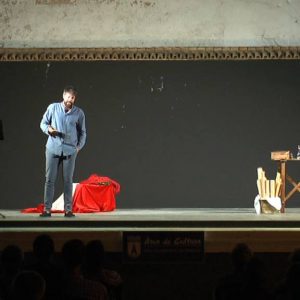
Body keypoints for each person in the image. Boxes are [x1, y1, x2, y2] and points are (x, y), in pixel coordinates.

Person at [40, 86, 86, 217]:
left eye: (72, 98)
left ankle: (68, 210)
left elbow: (83, 132)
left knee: (68, 180)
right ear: (63, 96)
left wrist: (78, 147)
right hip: (52, 148)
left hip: (70, 151)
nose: (70, 99)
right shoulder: (53, 107)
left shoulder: (79, 113)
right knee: (49, 179)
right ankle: (47, 209)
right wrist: (48, 130)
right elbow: (43, 123)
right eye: (68, 97)